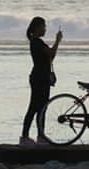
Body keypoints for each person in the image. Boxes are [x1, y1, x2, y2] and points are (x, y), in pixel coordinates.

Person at [20, 17, 62, 146]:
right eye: (43, 26)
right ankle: (27, 137)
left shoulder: (37, 42)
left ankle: (39, 136)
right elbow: (51, 54)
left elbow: (50, 57)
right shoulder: (37, 42)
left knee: (41, 108)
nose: (45, 29)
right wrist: (58, 41)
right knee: (35, 107)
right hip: (39, 78)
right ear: (37, 28)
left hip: (41, 77)